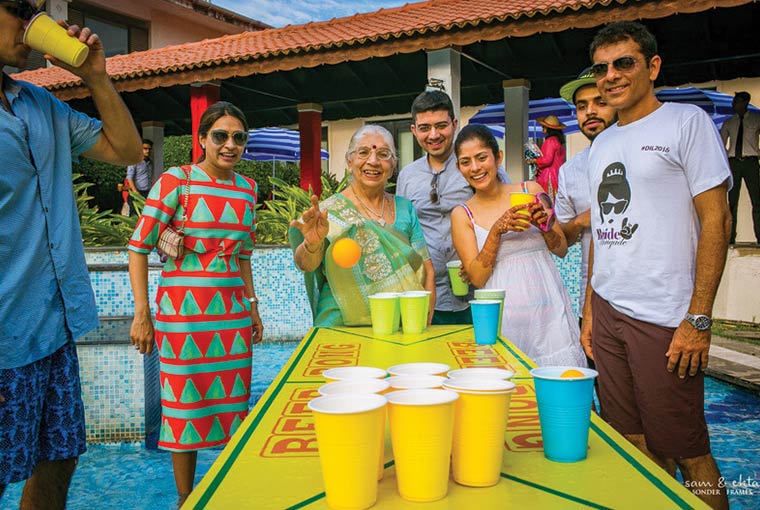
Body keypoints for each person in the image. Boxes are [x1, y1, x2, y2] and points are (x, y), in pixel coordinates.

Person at [582, 21, 731, 509]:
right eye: (602, 67)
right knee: (632, 443)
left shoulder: (685, 123)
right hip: (608, 311)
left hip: (664, 316)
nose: (611, 76)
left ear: (652, 66)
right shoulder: (601, 145)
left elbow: (717, 221)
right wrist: (588, 310)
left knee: (688, 449)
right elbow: (603, 228)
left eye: (623, 62)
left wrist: (699, 318)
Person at [0, 2, 143, 507]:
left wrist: (96, 78)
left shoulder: (39, 104)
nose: (30, 21)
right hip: (4, 335)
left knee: (59, 459)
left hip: (53, 326)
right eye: (19, 9)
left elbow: (127, 151)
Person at [128, 101, 263, 507]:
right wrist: (141, 314)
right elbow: (138, 246)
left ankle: (227, 491)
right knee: (184, 408)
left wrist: (253, 307)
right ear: (202, 139)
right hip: (183, 316)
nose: (230, 145)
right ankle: (185, 499)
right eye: (220, 136)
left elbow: (243, 255)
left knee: (233, 408)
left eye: (238, 137)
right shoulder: (176, 181)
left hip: (231, 316)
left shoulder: (248, 189)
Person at [451, 124, 586, 367]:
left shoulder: (531, 190)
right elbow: (478, 278)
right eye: (465, 161)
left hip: (549, 312)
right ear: (458, 167)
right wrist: (496, 231)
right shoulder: (463, 214)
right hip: (504, 318)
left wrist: (544, 225)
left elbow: (561, 249)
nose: (475, 168)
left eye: (482, 158)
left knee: (558, 381)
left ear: (497, 157)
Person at [289, 125, 435, 326]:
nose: (373, 161)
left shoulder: (405, 208)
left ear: (393, 166)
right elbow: (305, 265)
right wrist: (312, 244)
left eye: (383, 154)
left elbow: (426, 267)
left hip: (399, 322)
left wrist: (422, 318)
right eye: (363, 152)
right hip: (339, 324)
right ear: (349, 161)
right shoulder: (328, 212)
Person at [397, 90, 508, 325]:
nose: (434, 135)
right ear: (413, 130)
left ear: (454, 124)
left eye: (441, 126)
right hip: (428, 297)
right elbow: (403, 232)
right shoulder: (407, 176)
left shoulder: (477, 167)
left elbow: (504, 211)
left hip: (480, 292)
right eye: (425, 128)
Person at [555, 68, 618, 323]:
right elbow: (563, 240)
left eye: (600, 102)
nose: (590, 111)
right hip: (592, 303)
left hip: (651, 302)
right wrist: (582, 221)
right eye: (582, 106)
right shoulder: (571, 171)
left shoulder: (646, 158)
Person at [720, 91, 760, 244]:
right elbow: (720, 144)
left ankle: (759, 237)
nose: (733, 105)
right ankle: (730, 238)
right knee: (732, 202)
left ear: (744, 102)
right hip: (734, 163)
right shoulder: (729, 122)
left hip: (751, 162)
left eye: (736, 101)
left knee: (756, 201)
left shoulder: (756, 119)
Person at [526, 115, 567, 197]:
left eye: (543, 126)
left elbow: (547, 160)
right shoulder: (557, 141)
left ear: (548, 129)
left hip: (548, 177)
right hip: (557, 176)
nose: (542, 128)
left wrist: (533, 161)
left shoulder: (550, 141)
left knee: (546, 202)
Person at [125, 138, 154, 215]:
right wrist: (135, 192)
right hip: (136, 193)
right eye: (145, 149)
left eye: (149, 149)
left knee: (145, 215)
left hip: (147, 192)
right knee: (134, 215)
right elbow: (129, 177)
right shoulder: (134, 161)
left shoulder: (150, 162)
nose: (147, 151)